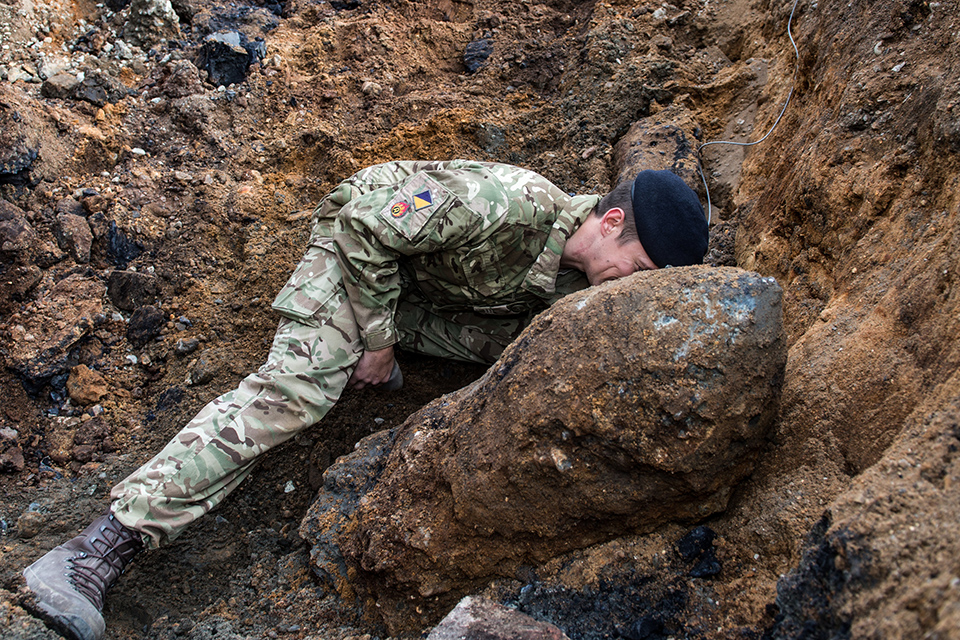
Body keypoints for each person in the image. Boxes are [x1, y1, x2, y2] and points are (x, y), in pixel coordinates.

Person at [22, 160, 709, 640]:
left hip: (425, 287)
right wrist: (377, 341)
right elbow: (366, 230)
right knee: (298, 393)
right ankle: (96, 548)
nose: (624, 291)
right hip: (359, 240)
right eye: (638, 269)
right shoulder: (504, 201)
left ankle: (371, 337)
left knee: (520, 353)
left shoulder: (569, 288)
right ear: (611, 220)